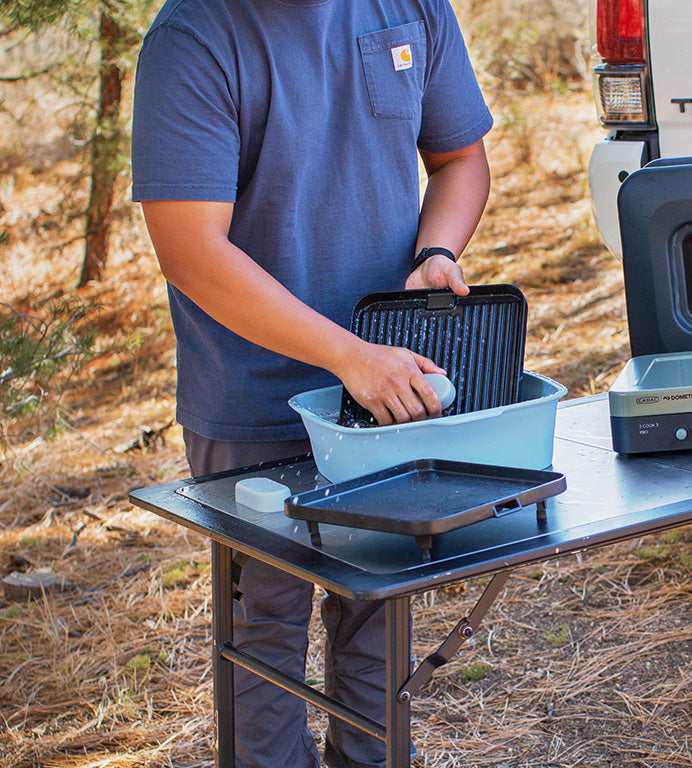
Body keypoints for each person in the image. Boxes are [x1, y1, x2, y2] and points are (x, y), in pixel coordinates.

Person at [130, 0, 492, 766]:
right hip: (252, 400)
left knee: (377, 616)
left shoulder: (413, 8)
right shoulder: (194, 36)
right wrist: (345, 356)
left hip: (385, 388)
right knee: (264, 633)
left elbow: (461, 159)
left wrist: (436, 251)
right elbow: (190, 248)